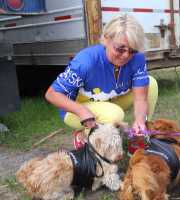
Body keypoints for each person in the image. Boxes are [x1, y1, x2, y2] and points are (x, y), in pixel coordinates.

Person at [45, 14, 158, 150]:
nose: (126, 55)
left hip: (110, 100)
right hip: (76, 109)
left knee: (151, 84)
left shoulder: (138, 59)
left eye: (132, 51)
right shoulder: (85, 61)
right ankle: (84, 136)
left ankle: (139, 134)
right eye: (120, 49)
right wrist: (81, 111)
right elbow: (51, 94)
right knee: (115, 115)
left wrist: (140, 119)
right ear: (105, 39)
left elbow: (141, 98)